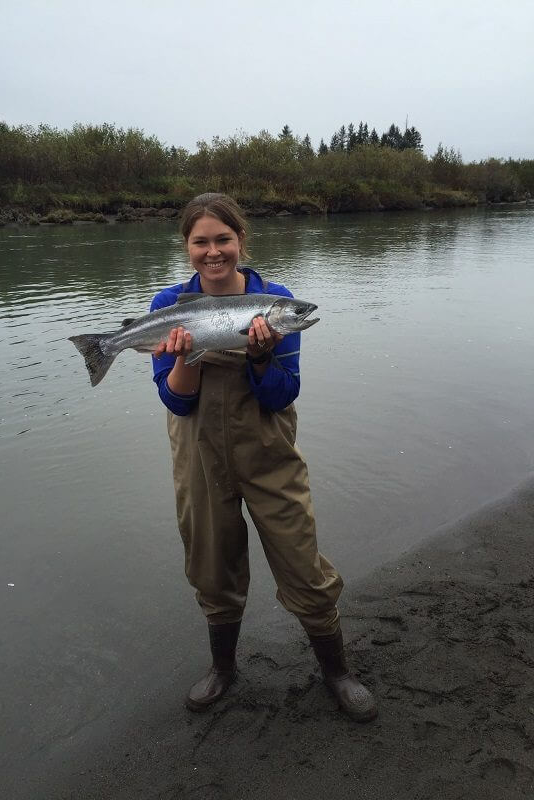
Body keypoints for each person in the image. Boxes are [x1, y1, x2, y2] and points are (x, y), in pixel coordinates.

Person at [150, 193, 377, 723]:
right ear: (186, 247)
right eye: (201, 241)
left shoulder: (276, 300)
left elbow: (282, 394)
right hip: (199, 457)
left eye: (222, 239)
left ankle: (336, 671)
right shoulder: (168, 305)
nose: (213, 252)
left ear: (240, 241)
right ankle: (223, 669)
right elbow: (175, 399)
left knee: (302, 561)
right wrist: (188, 357)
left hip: (269, 452)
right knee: (211, 564)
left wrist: (258, 354)